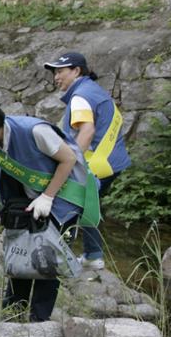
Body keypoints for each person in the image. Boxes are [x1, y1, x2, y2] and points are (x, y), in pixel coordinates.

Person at [0, 100, 93, 322]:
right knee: (19, 255)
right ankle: (14, 312)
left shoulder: (34, 131)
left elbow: (69, 159)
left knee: (47, 261)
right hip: (23, 204)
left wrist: (48, 196)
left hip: (60, 200)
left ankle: (39, 319)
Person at [44, 51, 130, 270]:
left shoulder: (80, 96)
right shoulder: (94, 91)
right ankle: (93, 255)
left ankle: (59, 259)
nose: (56, 77)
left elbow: (87, 131)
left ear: (76, 71)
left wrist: (70, 162)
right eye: (55, 72)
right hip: (111, 162)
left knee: (68, 205)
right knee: (87, 204)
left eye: (60, 71)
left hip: (96, 164)